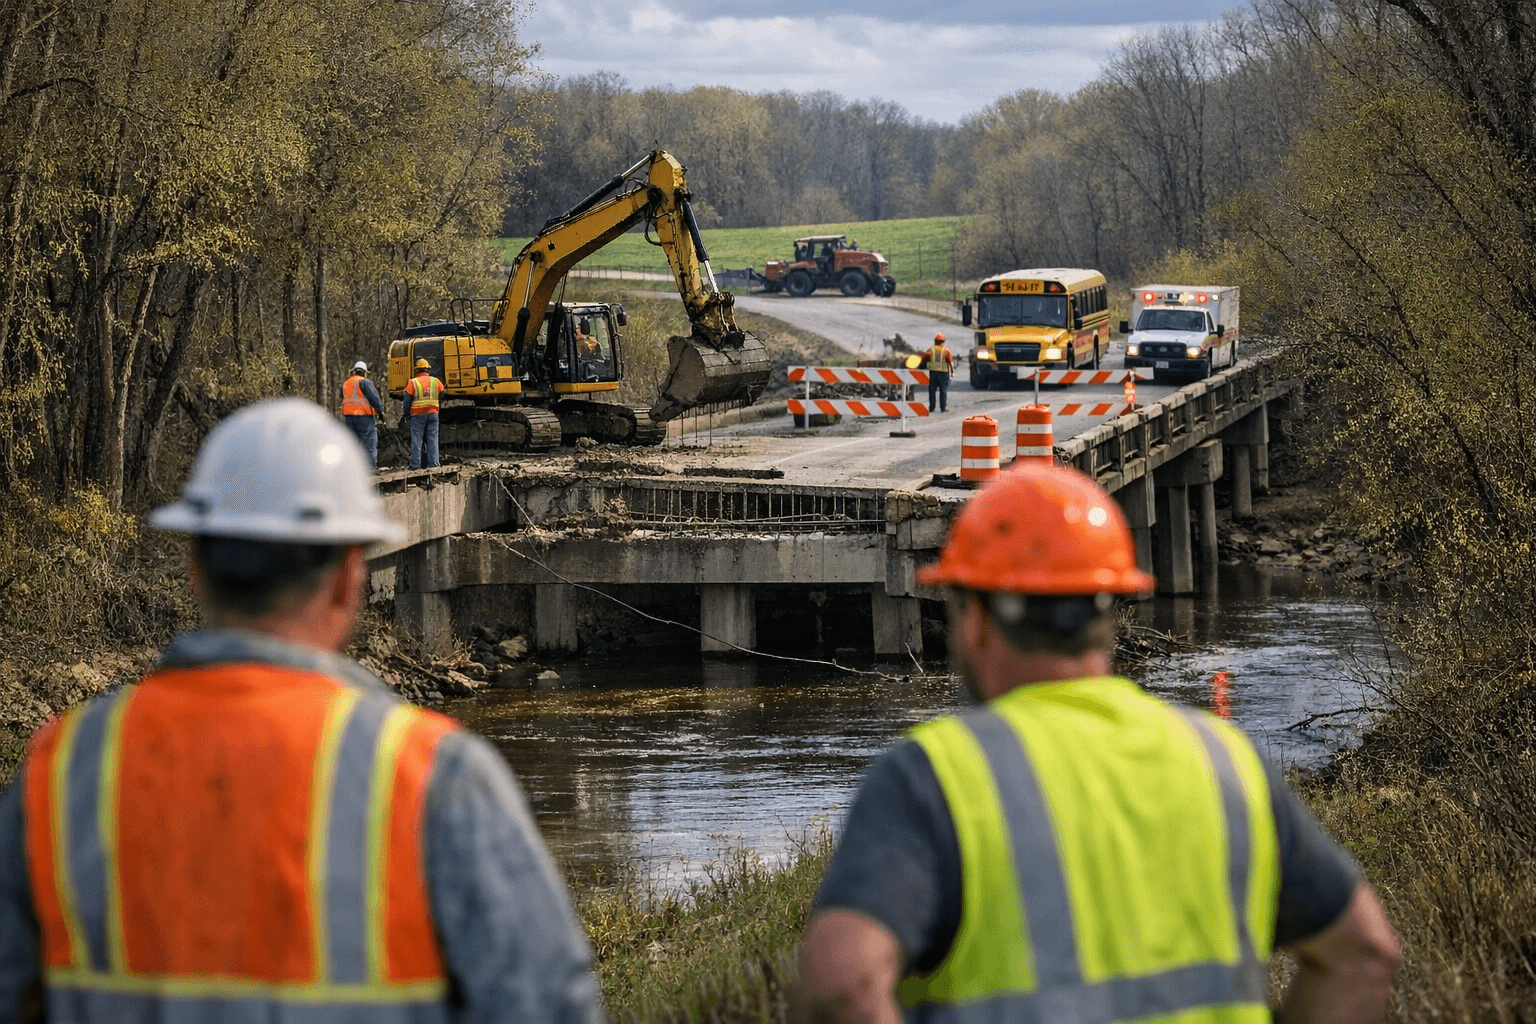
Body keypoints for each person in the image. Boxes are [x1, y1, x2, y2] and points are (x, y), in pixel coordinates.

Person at [0, 397, 602, 1023]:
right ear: (349, 578)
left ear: (193, 570)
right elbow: (549, 1006)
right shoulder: (431, 777)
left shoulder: (60, 770)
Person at [795, 463, 1401, 1024]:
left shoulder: (933, 778)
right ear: (1109, 615)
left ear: (975, 620)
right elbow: (1364, 955)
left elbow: (843, 984)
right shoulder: (1226, 760)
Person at [340, 359, 386, 469]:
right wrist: (381, 413)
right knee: (369, 441)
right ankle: (370, 469)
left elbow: (342, 398)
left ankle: (351, 469)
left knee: (352, 443)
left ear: (354, 371)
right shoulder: (365, 382)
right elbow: (374, 399)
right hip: (364, 417)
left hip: (349, 417)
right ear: (364, 372)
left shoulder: (346, 384)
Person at [401, 356, 444, 469]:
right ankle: (434, 464)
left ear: (416, 370)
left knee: (417, 440)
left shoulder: (413, 382)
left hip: (417, 415)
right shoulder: (435, 381)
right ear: (427, 370)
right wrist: (437, 404)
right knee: (433, 439)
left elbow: (406, 399)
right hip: (433, 414)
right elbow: (443, 393)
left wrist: (406, 413)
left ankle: (415, 464)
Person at [923, 333, 954, 413]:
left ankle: (932, 408)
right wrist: (952, 372)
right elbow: (950, 362)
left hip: (933, 373)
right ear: (943, 341)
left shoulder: (931, 349)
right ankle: (943, 408)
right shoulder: (946, 350)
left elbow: (925, 357)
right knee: (943, 391)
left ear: (935, 341)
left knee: (932, 391)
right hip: (944, 373)